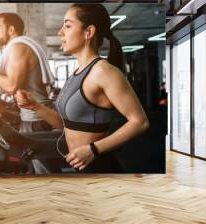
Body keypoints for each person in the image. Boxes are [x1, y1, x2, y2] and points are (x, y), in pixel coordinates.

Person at [15, 4, 150, 173]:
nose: (60, 32)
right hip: (80, 167)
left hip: (99, 167)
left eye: (68, 26)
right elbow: (65, 124)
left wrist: (93, 149)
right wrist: (35, 106)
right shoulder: (77, 73)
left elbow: (140, 122)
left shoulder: (103, 72)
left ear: (89, 32)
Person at [0, 13, 55, 133]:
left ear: (11, 29)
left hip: (35, 119)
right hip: (33, 116)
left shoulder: (18, 47)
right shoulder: (18, 46)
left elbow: (11, 86)